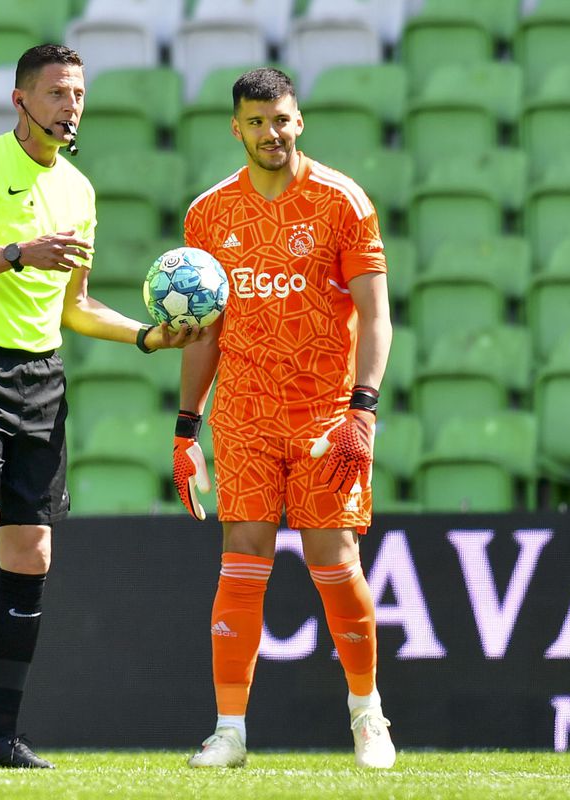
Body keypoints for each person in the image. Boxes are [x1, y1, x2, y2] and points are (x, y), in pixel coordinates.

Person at [0, 44, 193, 770]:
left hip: (40, 377)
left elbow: (78, 305)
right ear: (21, 100)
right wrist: (14, 253)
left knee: (31, 550)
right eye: (60, 92)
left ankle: (1, 738)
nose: (73, 105)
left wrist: (147, 335)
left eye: (80, 93)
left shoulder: (80, 190)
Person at [172, 68, 396, 769]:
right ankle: (229, 731)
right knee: (242, 558)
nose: (274, 132)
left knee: (334, 556)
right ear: (236, 128)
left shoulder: (342, 201)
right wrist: (185, 428)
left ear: (300, 121)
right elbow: (204, 330)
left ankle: (368, 717)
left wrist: (364, 407)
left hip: (325, 411)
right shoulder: (208, 214)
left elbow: (377, 312)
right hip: (243, 412)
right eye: (258, 121)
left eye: (284, 119)